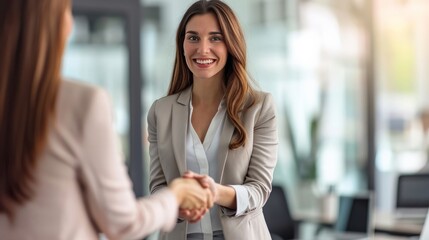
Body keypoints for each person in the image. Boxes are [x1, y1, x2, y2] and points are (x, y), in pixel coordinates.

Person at [0, 0, 213, 239]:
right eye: (66, 12)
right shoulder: (82, 103)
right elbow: (122, 223)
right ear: (49, 25)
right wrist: (175, 196)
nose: (70, 23)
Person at [147, 0, 278, 239]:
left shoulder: (258, 108)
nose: (203, 49)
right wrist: (178, 202)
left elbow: (259, 190)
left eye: (215, 38)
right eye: (193, 38)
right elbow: (157, 187)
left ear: (231, 44)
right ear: (183, 45)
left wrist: (213, 192)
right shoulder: (160, 112)